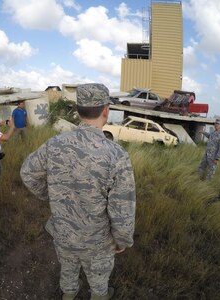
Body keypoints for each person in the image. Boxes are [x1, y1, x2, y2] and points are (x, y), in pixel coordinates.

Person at [20, 83, 136, 300]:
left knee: (69, 271)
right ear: (105, 110)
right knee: (99, 283)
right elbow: (123, 207)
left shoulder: (54, 144)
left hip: (63, 232)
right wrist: (123, 239)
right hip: (98, 240)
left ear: (77, 108)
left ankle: (69, 294)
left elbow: (27, 173)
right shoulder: (116, 155)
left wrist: (53, 196)